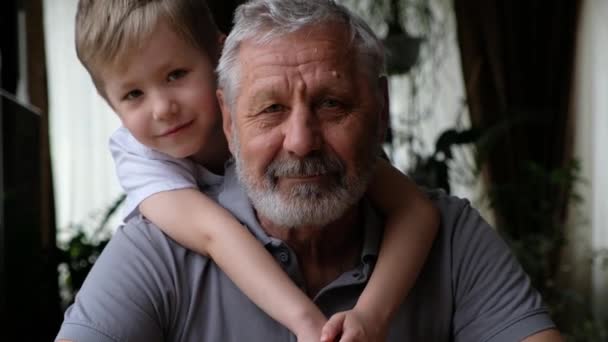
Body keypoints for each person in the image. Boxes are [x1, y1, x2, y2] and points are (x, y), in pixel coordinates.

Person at [56, 0, 561, 341]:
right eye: (269, 109)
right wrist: (307, 322)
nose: (300, 141)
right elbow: (213, 237)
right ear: (229, 114)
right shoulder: (156, 232)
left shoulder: (450, 233)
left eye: (332, 103)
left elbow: (415, 211)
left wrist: (369, 316)